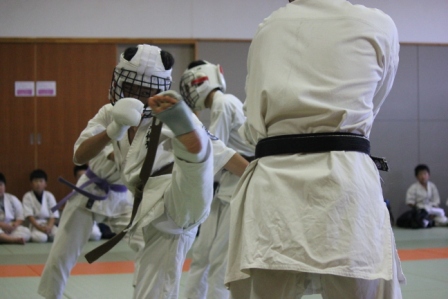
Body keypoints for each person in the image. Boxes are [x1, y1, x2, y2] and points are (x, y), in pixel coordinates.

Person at [225, 1, 405, 298]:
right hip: (346, 178)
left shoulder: (269, 27)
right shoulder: (379, 25)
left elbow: (252, 121)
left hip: (274, 183)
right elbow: (374, 101)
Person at [68, 44, 247, 299]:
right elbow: (79, 155)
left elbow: (226, 155)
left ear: (160, 90)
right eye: (132, 89)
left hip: (178, 194)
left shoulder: (165, 111)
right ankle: (193, 152)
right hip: (148, 210)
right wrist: (112, 131)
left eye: (148, 91)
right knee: (150, 285)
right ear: (120, 84)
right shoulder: (110, 114)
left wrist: (258, 176)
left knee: (197, 162)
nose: (139, 98)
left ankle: (192, 149)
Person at [180, 60, 254, 299]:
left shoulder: (224, 103)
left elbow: (212, 152)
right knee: (202, 255)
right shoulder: (222, 105)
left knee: (221, 261)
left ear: (201, 80)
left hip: (237, 190)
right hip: (222, 189)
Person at [38, 147, 137, 298]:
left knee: (150, 244)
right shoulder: (105, 123)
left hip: (122, 198)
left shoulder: (154, 127)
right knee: (62, 254)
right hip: (89, 192)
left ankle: (147, 293)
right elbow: (98, 153)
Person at [22, 169, 59, 243]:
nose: (38, 184)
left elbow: (53, 215)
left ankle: (49, 234)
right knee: (41, 238)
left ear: (45, 184)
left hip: (48, 224)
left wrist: (49, 227)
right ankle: (45, 235)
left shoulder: (49, 195)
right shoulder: (27, 196)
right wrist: (40, 228)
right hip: (36, 226)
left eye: (41, 181)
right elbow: (29, 216)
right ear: (31, 184)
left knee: (59, 236)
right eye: (35, 181)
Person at [73, 164, 102, 241]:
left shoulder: (96, 191)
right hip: (77, 222)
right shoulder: (74, 192)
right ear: (76, 178)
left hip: (91, 221)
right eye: (80, 176)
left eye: (84, 176)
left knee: (96, 235)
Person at [0, 173, 31, 244]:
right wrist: (2, 225)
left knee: (27, 232)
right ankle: (13, 240)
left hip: (10, 227)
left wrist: (14, 226)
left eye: (1, 185)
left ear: (5, 186)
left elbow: (20, 217)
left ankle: (4, 238)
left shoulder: (12, 198)